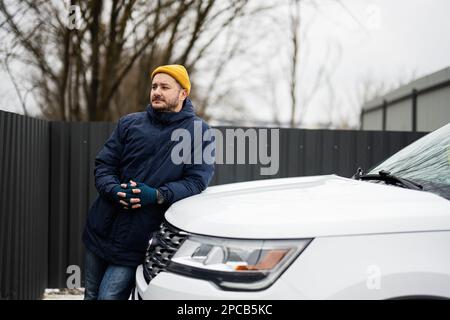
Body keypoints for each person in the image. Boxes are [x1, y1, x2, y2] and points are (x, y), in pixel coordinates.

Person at [82, 64, 215, 300]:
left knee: (107, 297)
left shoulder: (199, 133)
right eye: (154, 86)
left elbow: (196, 182)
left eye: (165, 87)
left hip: (138, 238)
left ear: (183, 93)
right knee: (91, 294)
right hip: (101, 227)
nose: (157, 91)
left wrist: (156, 195)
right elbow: (104, 165)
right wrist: (113, 190)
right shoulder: (129, 124)